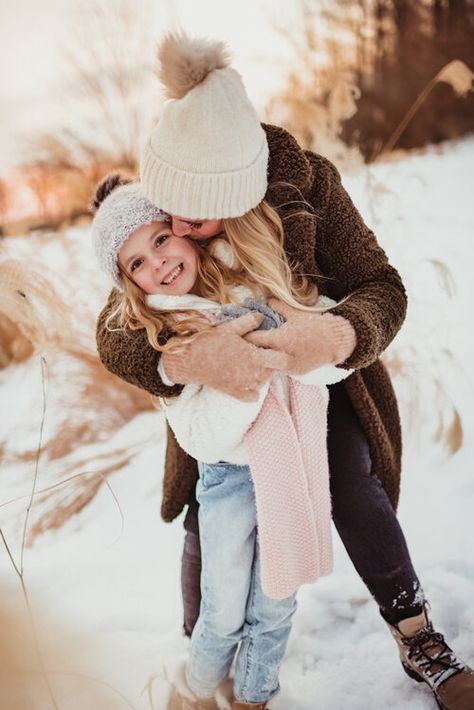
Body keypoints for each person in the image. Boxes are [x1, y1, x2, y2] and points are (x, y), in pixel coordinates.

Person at [95, 33, 474, 710]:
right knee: (205, 519)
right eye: (168, 208)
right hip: (224, 409)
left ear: (238, 187)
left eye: (196, 212)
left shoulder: (314, 187)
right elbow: (115, 324)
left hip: (319, 391)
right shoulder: (171, 196)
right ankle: (203, 652)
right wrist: (183, 358)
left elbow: (382, 287)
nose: (176, 223)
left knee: (352, 481)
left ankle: (415, 631)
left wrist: (331, 334)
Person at [91, 173, 352, 708]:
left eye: (160, 239)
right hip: (229, 479)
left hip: (291, 466)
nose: (158, 263)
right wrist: (244, 371)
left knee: (277, 603)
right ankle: (197, 691)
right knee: (225, 608)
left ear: (185, 231)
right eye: (137, 263)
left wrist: (313, 344)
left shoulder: (250, 284)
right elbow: (202, 439)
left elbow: (318, 361)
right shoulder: (165, 338)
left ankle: (254, 695)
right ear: (131, 286)